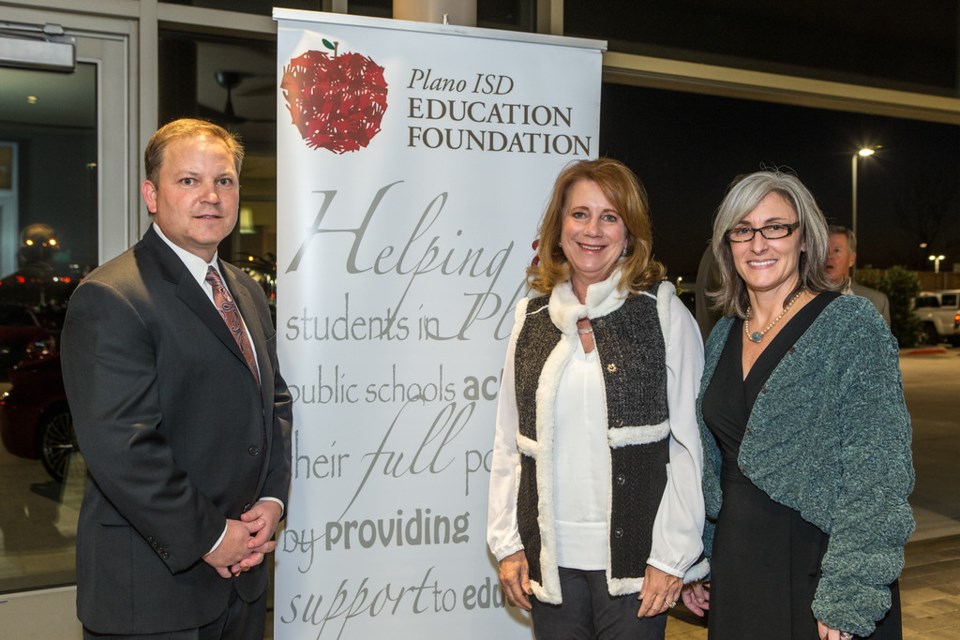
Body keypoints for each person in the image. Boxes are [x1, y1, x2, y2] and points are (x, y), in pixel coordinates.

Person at [60, 118, 292, 639]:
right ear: (151, 194)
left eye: (224, 180)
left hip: (245, 582)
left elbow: (273, 401)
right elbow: (123, 448)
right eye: (188, 180)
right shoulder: (113, 297)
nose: (210, 196)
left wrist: (271, 503)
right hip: (154, 594)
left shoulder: (244, 289)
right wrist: (212, 537)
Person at [681, 170, 913, 640]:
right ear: (728, 246)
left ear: (805, 238)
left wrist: (850, 593)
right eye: (743, 230)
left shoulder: (850, 325)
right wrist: (699, 558)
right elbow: (712, 467)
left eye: (775, 227)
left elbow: (878, 470)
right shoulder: (724, 334)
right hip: (738, 570)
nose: (758, 243)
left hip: (822, 570)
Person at [487, 158, 707, 639]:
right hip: (551, 568)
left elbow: (691, 449)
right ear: (558, 227)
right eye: (580, 214)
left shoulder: (665, 315)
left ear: (629, 234)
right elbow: (509, 443)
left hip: (637, 572)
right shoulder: (531, 317)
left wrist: (672, 558)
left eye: (609, 217)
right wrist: (507, 544)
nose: (593, 230)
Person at [825, 224, 891, 326]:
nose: (829, 256)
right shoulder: (803, 300)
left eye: (837, 251)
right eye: (824, 250)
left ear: (851, 259)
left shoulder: (876, 302)